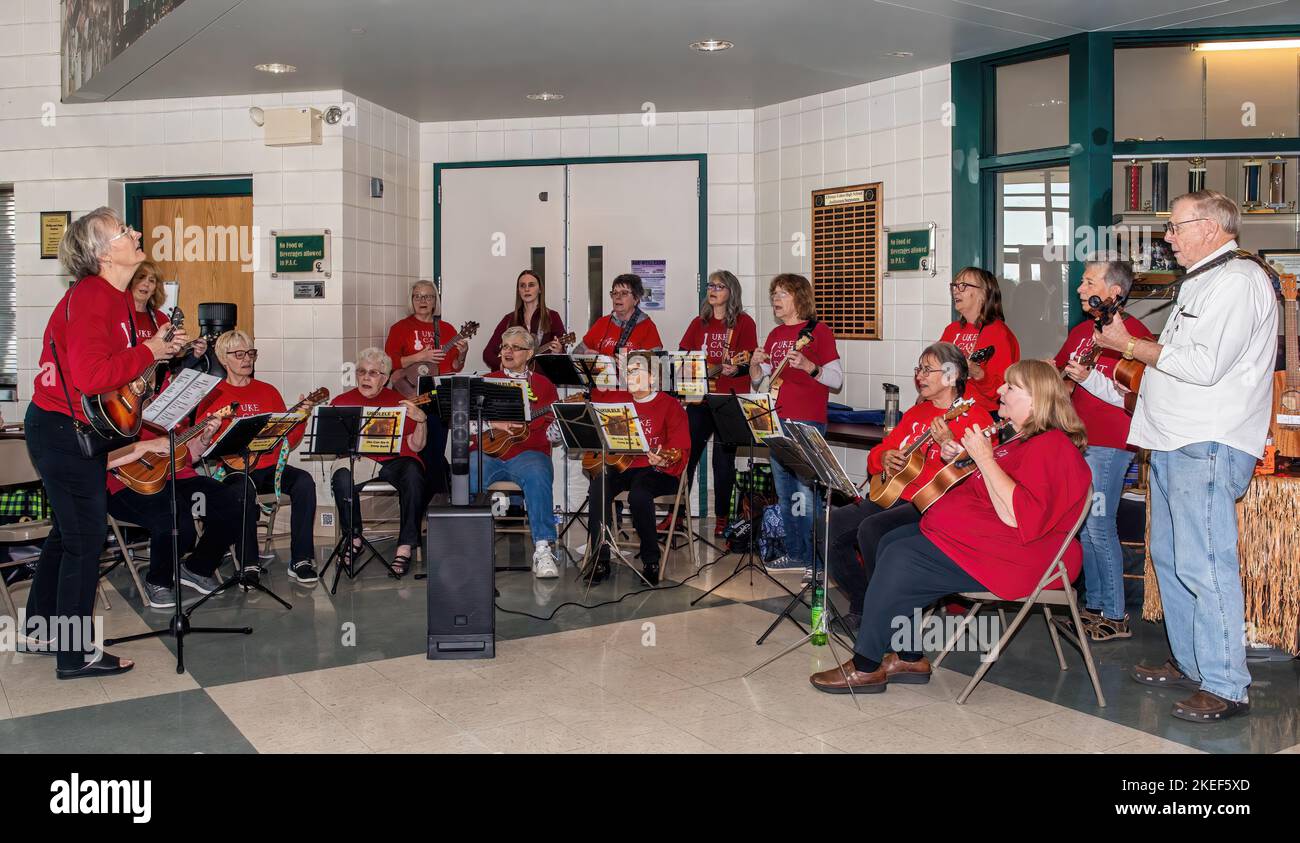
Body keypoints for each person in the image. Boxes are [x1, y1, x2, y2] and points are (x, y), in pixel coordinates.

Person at [1095, 189, 1277, 723]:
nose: (1167, 237)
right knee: (1171, 559)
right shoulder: (1204, 281)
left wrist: (1128, 345)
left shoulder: (1240, 281)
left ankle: (1225, 682)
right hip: (1174, 440)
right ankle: (1194, 662)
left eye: (1175, 227)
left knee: (1205, 562)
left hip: (1207, 441)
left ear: (1212, 227)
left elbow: (1203, 365)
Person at [810, 360, 1091, 694]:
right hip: (985, 541)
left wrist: (985, 458)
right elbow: (993, 488)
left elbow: (1020, 516)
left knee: (902, 557)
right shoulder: (1020, 440)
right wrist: (965, 458)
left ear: (1036, 400)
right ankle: (909, 656)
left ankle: (866, 665)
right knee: (888, 541)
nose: (999, 390)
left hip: (1019, 558)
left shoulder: (1053, 447)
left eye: (1010, 387)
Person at [25, 207, 189, 678]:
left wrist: (155, 348)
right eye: (122, 231)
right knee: (85, 539)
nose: (134, 232)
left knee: (67, 532)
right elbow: (92, 376)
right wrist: (150, 351)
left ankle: (39, 629)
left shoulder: (115, 299)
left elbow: (119, 369)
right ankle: (74, 656)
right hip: (61, 431)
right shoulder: (94, 297)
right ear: (100, 254)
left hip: (72, 430)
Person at [827, 343, 992, 631]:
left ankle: (884, 616)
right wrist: (883, 458)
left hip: (931, 504)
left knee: (873, 529)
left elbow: (981, 475)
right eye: (919, 369)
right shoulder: (916, 414)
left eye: (928, 370)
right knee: (829, 525)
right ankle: (865, 600)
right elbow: (879, 453)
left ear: (952, 376)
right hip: (891, 495)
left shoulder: (974, 417)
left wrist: (947, 445)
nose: (920, 376)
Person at [1053, 257, 1154, 642]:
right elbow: (1063, 381)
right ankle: (1094, 607)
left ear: (1114, 292)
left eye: (1088, 281)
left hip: (1110, 445)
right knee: (1085, 526)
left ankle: (1113, 615)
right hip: (1079, 440)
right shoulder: (1081, 331)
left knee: (1098, 524)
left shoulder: (1136, 335)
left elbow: (1137, 397)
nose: (1080, 288)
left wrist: (1088, 377)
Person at [195, 331, 321, 584]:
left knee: (304, 482)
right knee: (243, 491)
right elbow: (202, 444)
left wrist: (302, 416)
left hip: (270, 469)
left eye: (250, 353)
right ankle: (248, 563)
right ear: (223, 358)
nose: (247, 359)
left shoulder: (268, 391)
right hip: (234, 472)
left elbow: (289, 439)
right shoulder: (213, 396)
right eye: (239, 354)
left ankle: (302, 559)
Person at [105, 417, 259, 608]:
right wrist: (148, 445)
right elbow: (102, 460)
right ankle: (158, 581)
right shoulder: (113, 406)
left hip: (184, 483)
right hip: (133, 486)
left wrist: (205, 438)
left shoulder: (172, 405)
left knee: (232, 504)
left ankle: (197, 568)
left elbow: (188, 457)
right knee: (174, 518)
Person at [748, 273, 842, 582]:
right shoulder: (775, 334)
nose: (775, 299)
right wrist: (755, 366)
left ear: (799, 297)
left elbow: (837, 380)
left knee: (808, 494)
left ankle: (818, 561)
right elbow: (761, 383)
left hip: (806, 423)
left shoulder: (819, 332)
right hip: (777, 420)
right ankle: (796, 552)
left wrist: (808, 366)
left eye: (782, 293)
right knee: (786, 493)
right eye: (773, 293)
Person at [585, 352, 690, 586]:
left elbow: (680, 450)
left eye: (636, 371)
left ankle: (651, 560)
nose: (629, 376)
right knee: (598, 487)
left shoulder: (669, 405)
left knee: (639, 495)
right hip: (622, 465)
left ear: (652, 378)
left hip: (657, 470)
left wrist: (663, 460)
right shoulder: (617, 399)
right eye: (628, 371)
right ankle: (600, 559)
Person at [470, 327, 562, 578]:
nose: (507, 352)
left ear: (530, 353)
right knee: (469, 468)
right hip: (489, 451)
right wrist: (493, 425)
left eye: (515, 347)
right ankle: (469, 544)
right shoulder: (486, 381)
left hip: (528, 453)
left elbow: (552, 435)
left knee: (538, 473)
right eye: (504, 347)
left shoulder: (543, 385)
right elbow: (467, 425)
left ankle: (543, 549)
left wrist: (562, 426)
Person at [330, 347, 429, 576]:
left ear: (384, 379)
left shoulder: (400, 402)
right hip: (359, 460)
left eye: (373, 373)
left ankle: (405, 546)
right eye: (362, 371)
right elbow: (332, 443)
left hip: (394, 460)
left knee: (414, 473)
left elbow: (416, 447)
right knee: (342, 477)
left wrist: (421, 421)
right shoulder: (341, 402)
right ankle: (354, 539)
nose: (365, 377)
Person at [678, 270, 758, 536]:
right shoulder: (698, 323)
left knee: (722, 462)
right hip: (699, 400)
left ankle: (723, 516)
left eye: (720, 286)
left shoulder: (744, 323)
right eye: (711, 285)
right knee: (686, 457)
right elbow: (684, 358)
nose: (713, 290)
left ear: (731, 292)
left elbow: (750, 363)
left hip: (728, 401)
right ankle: (677, 514)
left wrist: (737, 369)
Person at [384, 280, 468, 496]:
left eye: (428, 296)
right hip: (409, 397)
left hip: (436, 400)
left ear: (435, 301)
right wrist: (419, 356)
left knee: (435, 452)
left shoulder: (446, 329)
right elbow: (389, 363)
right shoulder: (400, 328)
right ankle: (417, 499)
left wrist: (462, 354)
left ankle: (433, 503)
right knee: (416, 453)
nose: (423, 301)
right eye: (418, 296)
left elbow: (453, 368)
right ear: (411, 300)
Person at [940, 266, 1020, 416]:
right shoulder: (951, 330)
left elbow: (1001, 391)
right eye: (955, 286)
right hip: (949, 410)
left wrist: (978, 374)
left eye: (963, 286)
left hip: (983, 415)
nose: (956, 290)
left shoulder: (999, 333)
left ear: (983, 294)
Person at [482, 269, 567, 371]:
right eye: (522, 286)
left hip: (541, 381)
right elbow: (488, 354)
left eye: (531, 285)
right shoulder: (509, 319)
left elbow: (563, 358)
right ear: (518, 291)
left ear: (540, 289)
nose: (527, 289)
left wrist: (558, 351)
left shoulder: (552, 317)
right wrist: (503, 365)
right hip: (513, 382)